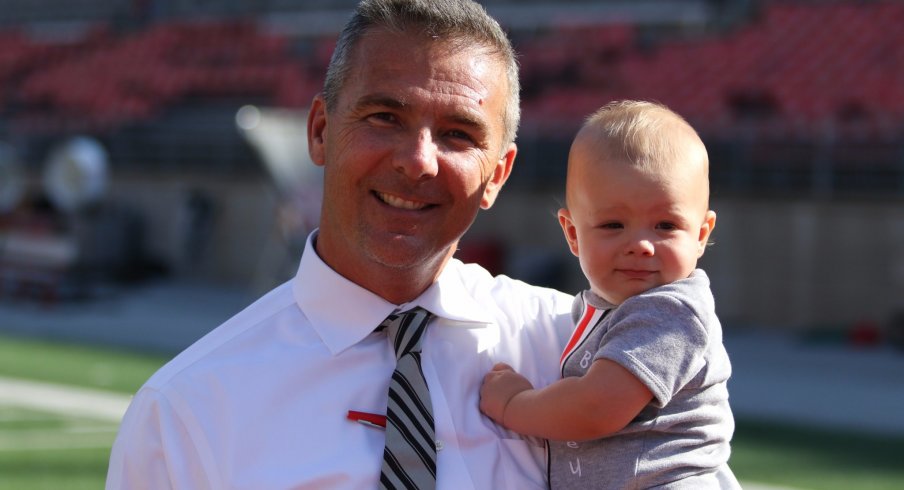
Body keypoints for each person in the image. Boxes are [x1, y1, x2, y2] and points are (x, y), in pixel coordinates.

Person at [105, 1, 574, 489]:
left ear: (497, 174)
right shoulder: (186, 410)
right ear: (321, 131)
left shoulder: (573, 353)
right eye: (385, 117)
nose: (418, 162)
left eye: (458, 134)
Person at [479, 100, 740, 489]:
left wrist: (513, 404)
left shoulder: (671, 312)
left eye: (666, 225)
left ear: (701, 234)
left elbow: (595, 409)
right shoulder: (611, 309)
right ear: (572, 234)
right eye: (613, 224)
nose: (641, 245)